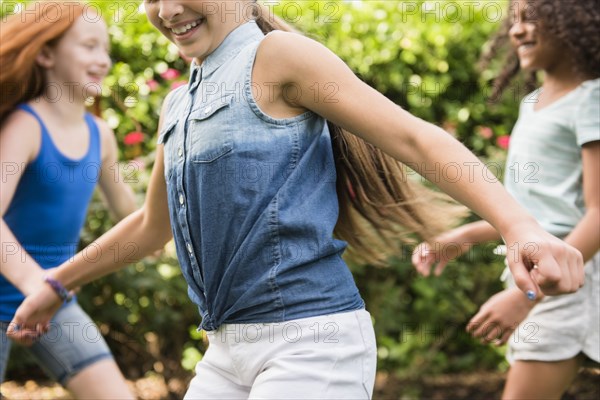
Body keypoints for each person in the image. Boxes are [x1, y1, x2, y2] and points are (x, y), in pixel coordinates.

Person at [8, 1, 585, 398]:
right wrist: (57, 285)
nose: (167, 10)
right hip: (226, 351)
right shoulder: (176, 105)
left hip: (311, 343)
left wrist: (519, 227)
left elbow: (413, 137)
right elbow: (149, 227)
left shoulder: (280, 57)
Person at [412, 0, 599, 399]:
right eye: (513, 20)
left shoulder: (591, 99)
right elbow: (526, 211)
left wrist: (526, 297)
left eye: (531, 17)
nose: (516, 31)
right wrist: (462, 238)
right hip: (541, 274)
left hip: (569, 280)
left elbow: (598, 212)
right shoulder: (533, 104)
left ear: (573, 22)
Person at [0, 2, 136, 398]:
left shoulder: (101, 135)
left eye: (105, 49)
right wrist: (35, 282)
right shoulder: (26, 126)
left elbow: (131, 214)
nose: (103, 60)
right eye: (89, 46)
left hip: (52, 302)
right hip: (36, 288)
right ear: (45, 54)